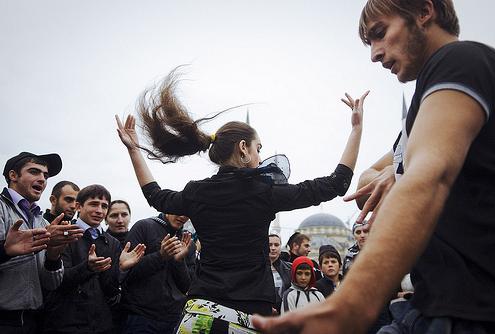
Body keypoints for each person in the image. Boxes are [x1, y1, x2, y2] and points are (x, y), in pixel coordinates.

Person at [252, 0, 495, 333]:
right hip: (429, 305)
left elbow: (431, 175)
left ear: (424, 12)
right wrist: (398, 173)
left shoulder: (460, 61)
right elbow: (368, 183)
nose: (375, 53)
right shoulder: (424, 112)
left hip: (472, 310)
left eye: (380, 34)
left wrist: (351, 304)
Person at [116, 68, 368, 333]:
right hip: (247, 317)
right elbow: (335, 184)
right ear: (243, 148)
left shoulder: (197, 191)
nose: (261, 156)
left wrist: (134, 150)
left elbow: (155, 196)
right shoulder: (264, 192)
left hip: (200, 313)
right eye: (259, 148)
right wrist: (356, 130)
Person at [0, 152, 84, 333]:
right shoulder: (1, 208)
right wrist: (5, 250)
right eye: (34, 172)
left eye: (45, 175)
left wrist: (53, 256)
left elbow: (51, 284)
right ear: (13, 175)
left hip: (34, 322)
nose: (42, 179)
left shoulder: (44, 223)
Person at [43, 184, 121, 334]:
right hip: (64, 324)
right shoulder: (63, 233)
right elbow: (56, 282)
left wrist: (122, 268)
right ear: (79, 206)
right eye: (93, 204)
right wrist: (88, 268)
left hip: (101, 325)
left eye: (104, 206)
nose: (99, 210)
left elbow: (111, 290)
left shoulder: (113, 243)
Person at [121, 213, 192, 334]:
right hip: (140, 317)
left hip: (173, 319)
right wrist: (160, 256)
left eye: (187, 213)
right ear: (167, 208)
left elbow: (186, 286)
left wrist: (179, 261)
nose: (183, 217)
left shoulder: (187, 241)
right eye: (178, 211)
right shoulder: (144, 227)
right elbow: (127, 274)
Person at [269, 234, 291, 313]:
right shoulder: (258, 268)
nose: (273, 248)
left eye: (276, 245)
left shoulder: (289, 268)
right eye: (270, 245)